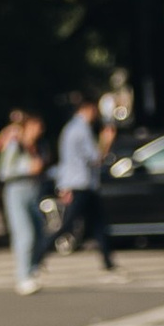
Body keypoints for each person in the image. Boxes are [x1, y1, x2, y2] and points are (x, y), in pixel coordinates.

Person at [55, 91, 116, 271]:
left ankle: (108, 262)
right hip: (81, 185)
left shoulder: (71, 128)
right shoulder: (81, 130)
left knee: (98, 225)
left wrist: (63, 184)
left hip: (81, 184)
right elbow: (95, 158)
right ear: (88, 109)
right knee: (68, 225)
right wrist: (106, 141)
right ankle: (39, 253)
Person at [0, 108, 49, 293]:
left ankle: (33, 270)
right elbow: (3, 172)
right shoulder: (14, 144)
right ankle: (23, 277)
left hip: (34, 193)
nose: (38, 131)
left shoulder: (38, 147)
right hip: (16, 192)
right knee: (25, 235)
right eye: (34, 127)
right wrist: (27, 168)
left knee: (40, 234)